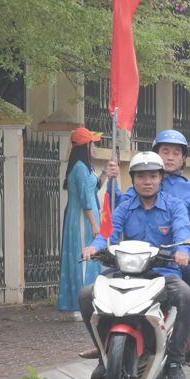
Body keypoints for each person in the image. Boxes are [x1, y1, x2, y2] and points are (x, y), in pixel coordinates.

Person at [80, 152, 190, 379]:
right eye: (141, 176)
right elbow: (108, 234)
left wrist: (183, 251)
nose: (147, 181)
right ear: (132, 180)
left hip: (162, 273)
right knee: (86, 295)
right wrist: (95, 247)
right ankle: (105, 355)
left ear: (161, 179)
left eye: (153, 176)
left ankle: (175, 362)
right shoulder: (124, 207)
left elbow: (183, 233)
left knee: (187, 296)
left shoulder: (175, 206)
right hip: (126, 272)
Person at [147, 129, 190, 367]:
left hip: (179, 259)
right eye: (165, 151)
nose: (170, 157)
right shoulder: (144, 184)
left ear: (183, 158)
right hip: (145, 260)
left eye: (176, 153)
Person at [59, 128, 118, 319]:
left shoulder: (85, 168)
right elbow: (85, 200)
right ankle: (81, 306)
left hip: (82, 219)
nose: (95, 147)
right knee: (85, 260)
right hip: (82, 221)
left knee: (90, 260)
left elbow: (94, 188)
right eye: (92, 143)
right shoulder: (80, 169)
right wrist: (94, 225)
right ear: (86, 145)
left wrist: (104, 174)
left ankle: (86, 303)